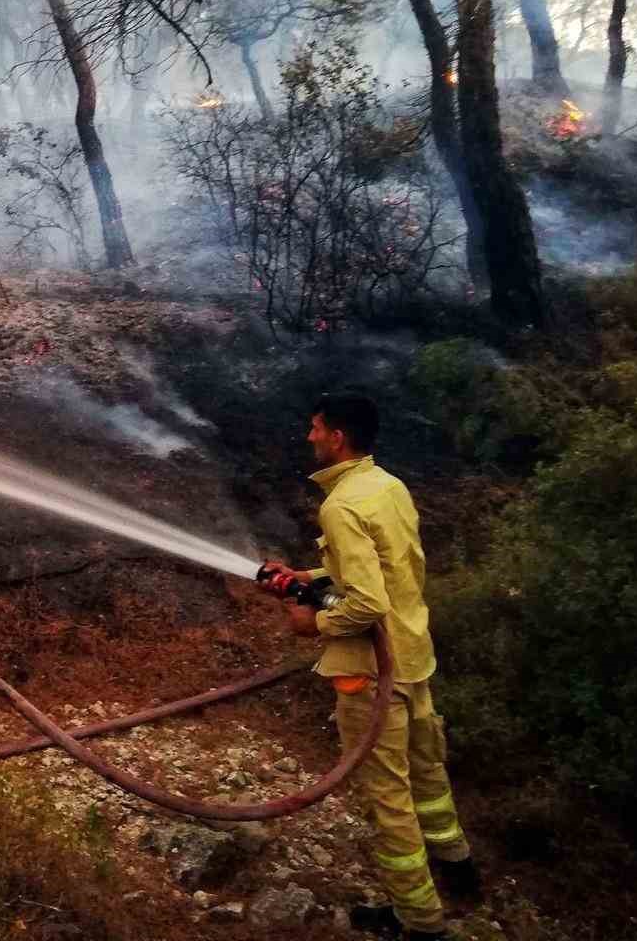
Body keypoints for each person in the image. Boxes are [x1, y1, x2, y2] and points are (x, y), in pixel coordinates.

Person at [264, 392, 479, 940]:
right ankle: (457, 870)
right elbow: (386, 569)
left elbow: (365, 603)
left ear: (338, 437)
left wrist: (314, 624)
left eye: (315, 428)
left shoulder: (340, 507)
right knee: (428, 772)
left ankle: (420, 922)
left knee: (389, 795)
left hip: (371, 673)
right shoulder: (386, 487)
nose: (309, 437)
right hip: (413, 656)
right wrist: (306, 579)